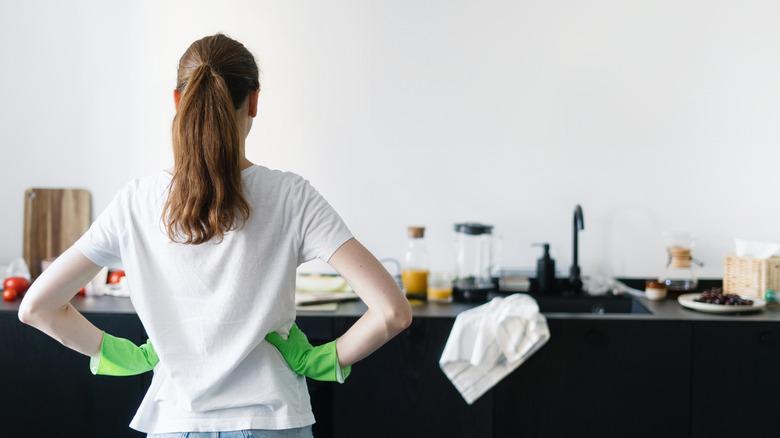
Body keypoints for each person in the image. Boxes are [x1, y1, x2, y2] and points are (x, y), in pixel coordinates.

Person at [18, 33, 412, 437]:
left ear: (177, 100)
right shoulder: (292, 196)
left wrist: (118, 354)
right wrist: (321, 359)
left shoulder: (134, 202)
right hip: (273, 423)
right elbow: (392, 312)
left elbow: (37, 308)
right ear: (254, 101)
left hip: (174, 424)